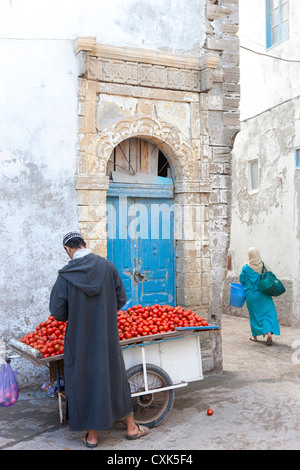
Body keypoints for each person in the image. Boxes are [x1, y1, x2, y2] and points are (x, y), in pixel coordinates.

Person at [49, 231, 149, 448]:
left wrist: (77, 311)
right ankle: (132, 428)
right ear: (85, 244)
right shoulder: (108, 267)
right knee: (114, 376)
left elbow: (57, 312)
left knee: (84, 380)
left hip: (79, 338)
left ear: (68, 249)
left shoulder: (66, 275)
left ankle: (92, 437)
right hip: (106, 335)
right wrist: (103, 309)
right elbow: (121, 299)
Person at [239, 247, 280, 346]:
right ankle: (269, 333)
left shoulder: (245, 267)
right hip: (264, 294)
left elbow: (242, 280)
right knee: (267, 314)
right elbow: (271, 275)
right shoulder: (263, 265)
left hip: (251, 296)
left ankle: (254, 337)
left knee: (255, 316)